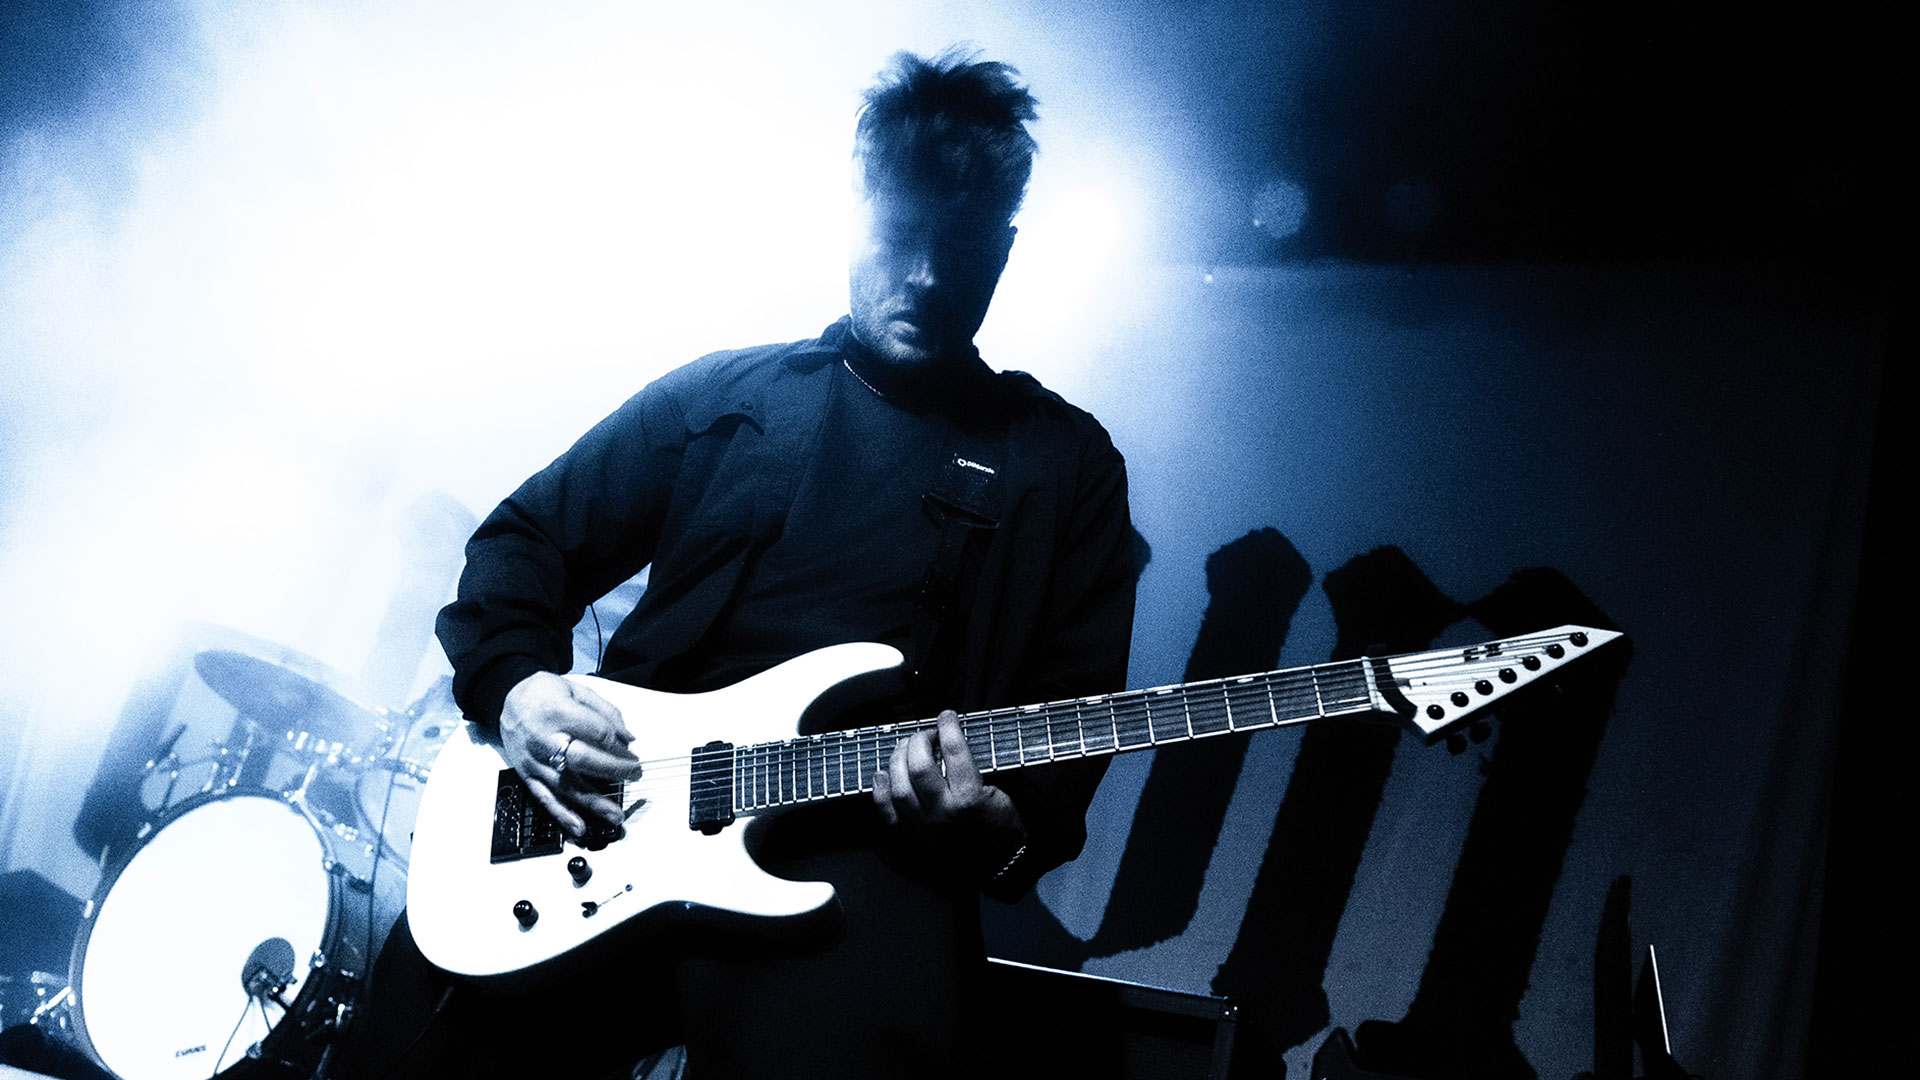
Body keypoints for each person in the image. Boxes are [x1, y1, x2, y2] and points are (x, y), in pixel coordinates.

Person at [343, 48, 1136, 1080]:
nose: (930, 276)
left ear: (1008, 249)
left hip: (866, 859)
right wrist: (520, 688)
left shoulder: (1059, 463)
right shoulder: (731, 395)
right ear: (854, 210)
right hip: (611, 810)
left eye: (965, 248)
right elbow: (526, 539)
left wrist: (993, 825)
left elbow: (1066, 729)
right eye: (900, 236)